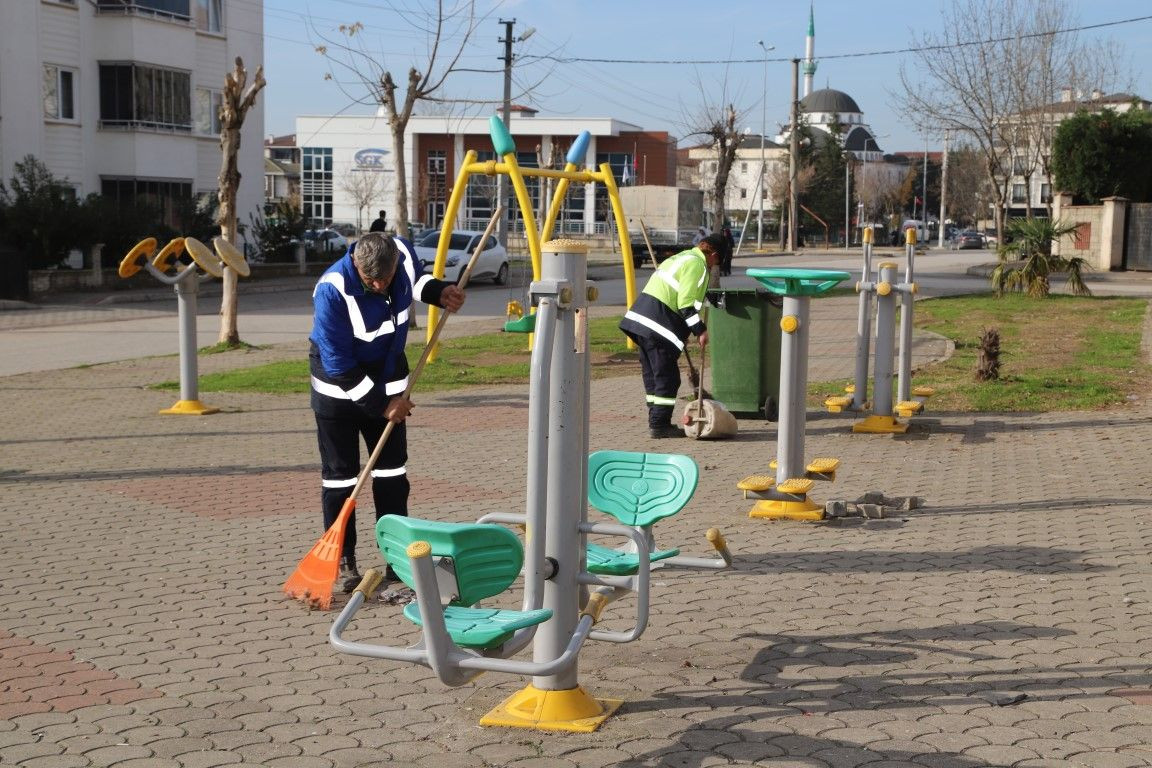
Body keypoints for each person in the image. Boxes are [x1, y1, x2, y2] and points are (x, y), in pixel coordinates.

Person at [309, 231, 465, 592]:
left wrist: (440, 292)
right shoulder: (332, 291)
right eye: (371, 280)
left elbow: (418, 279)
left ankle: (396, 556)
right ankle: (345, 559)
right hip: (339, 394)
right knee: (340, 479)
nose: (380, 285)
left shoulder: (401, 256)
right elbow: (339, 364)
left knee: (393, 474)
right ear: (356, 266)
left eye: (386, 278)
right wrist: (381, 405)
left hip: (390, 380)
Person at [620, 233, 723, 439]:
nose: (714, 266)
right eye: (717, 261)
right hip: (657, 326)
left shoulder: (682, 257)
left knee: (653, 374)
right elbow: (685, 303)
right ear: (713, 254)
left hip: (640, 322)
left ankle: (655, 419)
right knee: (668, 378)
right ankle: (660, 424)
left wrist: (705, 297)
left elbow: (678, 293)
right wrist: (700, 330)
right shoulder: (698, 265)